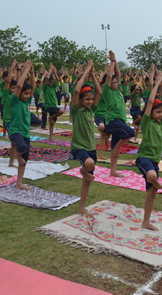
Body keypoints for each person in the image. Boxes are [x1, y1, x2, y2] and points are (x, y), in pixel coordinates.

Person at [135, 73, 162, 231]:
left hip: (154, 161)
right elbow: (150, 103)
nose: (161, 114)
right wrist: (156, 85)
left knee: (151, 193)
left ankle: (146, 221)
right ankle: (154, 181)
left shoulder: (160, 124)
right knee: (152, 176)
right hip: (143, 158)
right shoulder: (147, 122)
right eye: (157, 112)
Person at [70, 60, 102, 216]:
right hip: (79, 147)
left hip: (91, 147)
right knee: (88, 165)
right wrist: (86, 71)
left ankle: (81, 207)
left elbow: (99, 93)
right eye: (87, 99)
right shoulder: (76, 110)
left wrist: (93, 75)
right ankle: (82, 170)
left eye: (91, 99)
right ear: (81, 101)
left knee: (88, 180)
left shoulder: (91, 110)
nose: (90, 102)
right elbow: (76, 92)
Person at [103, 50, 135, 177]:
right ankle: (116, 148)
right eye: (114, 82)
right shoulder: (107, 91)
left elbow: (116, 74)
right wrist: (112, 63)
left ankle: (113, 171)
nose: (116, 83)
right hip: (112, 122)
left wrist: (115, 60)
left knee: (116, 146)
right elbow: (110, 76)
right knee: (131, 133)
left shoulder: (117, 91)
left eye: (117, 82)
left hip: (119, 122)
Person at [9, 60, 35, 190]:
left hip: (26, 132)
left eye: (29, 94)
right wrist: (25, 71)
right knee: (22, 148)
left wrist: (32, 72)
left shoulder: (26, 102)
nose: (27, 96)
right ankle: (17, 156)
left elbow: (33, 87)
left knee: (25, 161)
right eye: (25, 94)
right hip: (15, 130)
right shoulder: (14, 101)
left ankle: (19, 183)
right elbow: (19, 87)